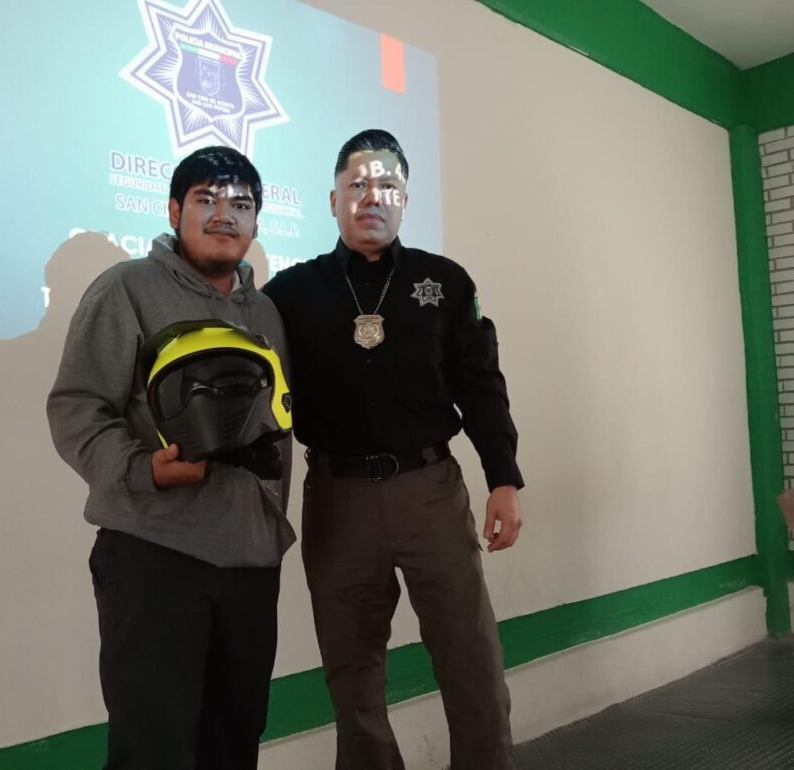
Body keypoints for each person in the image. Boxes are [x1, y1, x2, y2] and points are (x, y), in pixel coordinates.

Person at [262, 129, 524, 770]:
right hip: (337, 498)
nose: (371, 197)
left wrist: (503, 478)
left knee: (470, 656)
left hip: (429, 491)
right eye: (357, 185)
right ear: (333, 201)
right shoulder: (290, 294)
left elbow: (481, 385)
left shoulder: (445, 282)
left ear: (405, 200)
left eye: (386, 185)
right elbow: (263, 397)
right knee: (351, 670)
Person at [47, 146, 295, 770]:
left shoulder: (265, 311)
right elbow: (76, 405)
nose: (224, 215)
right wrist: (140, 469)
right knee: (153, 749)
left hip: (251, 561)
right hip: (152, 555)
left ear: (256, 221)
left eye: (240, 204)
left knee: (234, 743)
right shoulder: (127, 288)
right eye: (206, 199)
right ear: (173, 210)